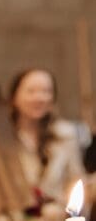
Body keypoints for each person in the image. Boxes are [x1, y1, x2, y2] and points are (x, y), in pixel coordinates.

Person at [8, 67, 85, 205]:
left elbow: (76, 179)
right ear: (14, 97)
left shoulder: (66, 135)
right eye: (31, 91)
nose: (39, 98)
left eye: (46, 91)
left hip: (56, 217)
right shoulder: (2, 137)